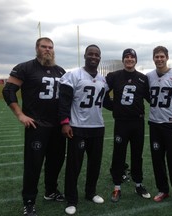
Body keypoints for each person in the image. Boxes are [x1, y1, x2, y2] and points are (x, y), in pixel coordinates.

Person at [2, 37, 66, 216]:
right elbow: (8, 91)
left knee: (56, 161)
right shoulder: (25, 67)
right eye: (44, 47)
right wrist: (20, 114)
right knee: (33, 165)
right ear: (37, 48)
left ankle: (50, 191)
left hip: (57, 125)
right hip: (37, 125)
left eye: (50, 47)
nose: (48, 50)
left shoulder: (60, 70)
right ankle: (29, 201)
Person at [58, 44, 110, 215]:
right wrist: (65, 122)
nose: (94, 57)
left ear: (100, 58)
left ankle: (90, 192)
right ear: (85, 56)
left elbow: (107, 102)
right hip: (78, 127)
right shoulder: (74, 75)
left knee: (94, 164)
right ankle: (71, 199)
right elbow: (64, 101)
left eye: (97, 54)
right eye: (91, 54)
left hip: (97, 127)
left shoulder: (103, 80)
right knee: (74, 166)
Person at [146, 46, 172, 211]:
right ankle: (163, 189)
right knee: (157, 160)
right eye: (156, 56)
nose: (159, 59)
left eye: (162, 56)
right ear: (153, 58)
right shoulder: (149, 76)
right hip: (155, 125)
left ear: (167, 57)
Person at [105, 48, 151, 202]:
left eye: (132, 57)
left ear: (136, 60)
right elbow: (103, 94)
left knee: (137, 154)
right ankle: (117, 187)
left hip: (137, 122)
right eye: (126, 57)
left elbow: (151, 99)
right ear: (123, 59)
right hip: (121, 122)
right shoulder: (114, 76)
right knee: (119, 154)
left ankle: (138, 184)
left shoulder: (143, 79)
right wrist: (115, 107)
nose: (129, 59)